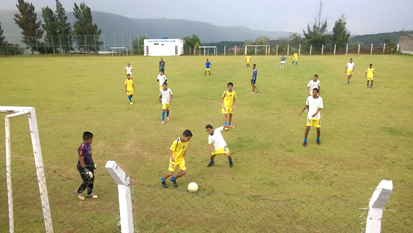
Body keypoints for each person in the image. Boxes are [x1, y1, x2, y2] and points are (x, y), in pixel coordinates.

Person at [75, 131, 98, 200]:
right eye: (90, 140)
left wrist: (93, 163)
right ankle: (79, 192)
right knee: (87, 181)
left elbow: (89, 156)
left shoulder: (89, 146)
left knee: (91, 179)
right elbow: (81, 160)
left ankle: (89, 193)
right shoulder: (82, 148)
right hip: (82, 167)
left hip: (89, 165)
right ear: (85, 140)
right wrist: (85, 170)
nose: (91, 141)